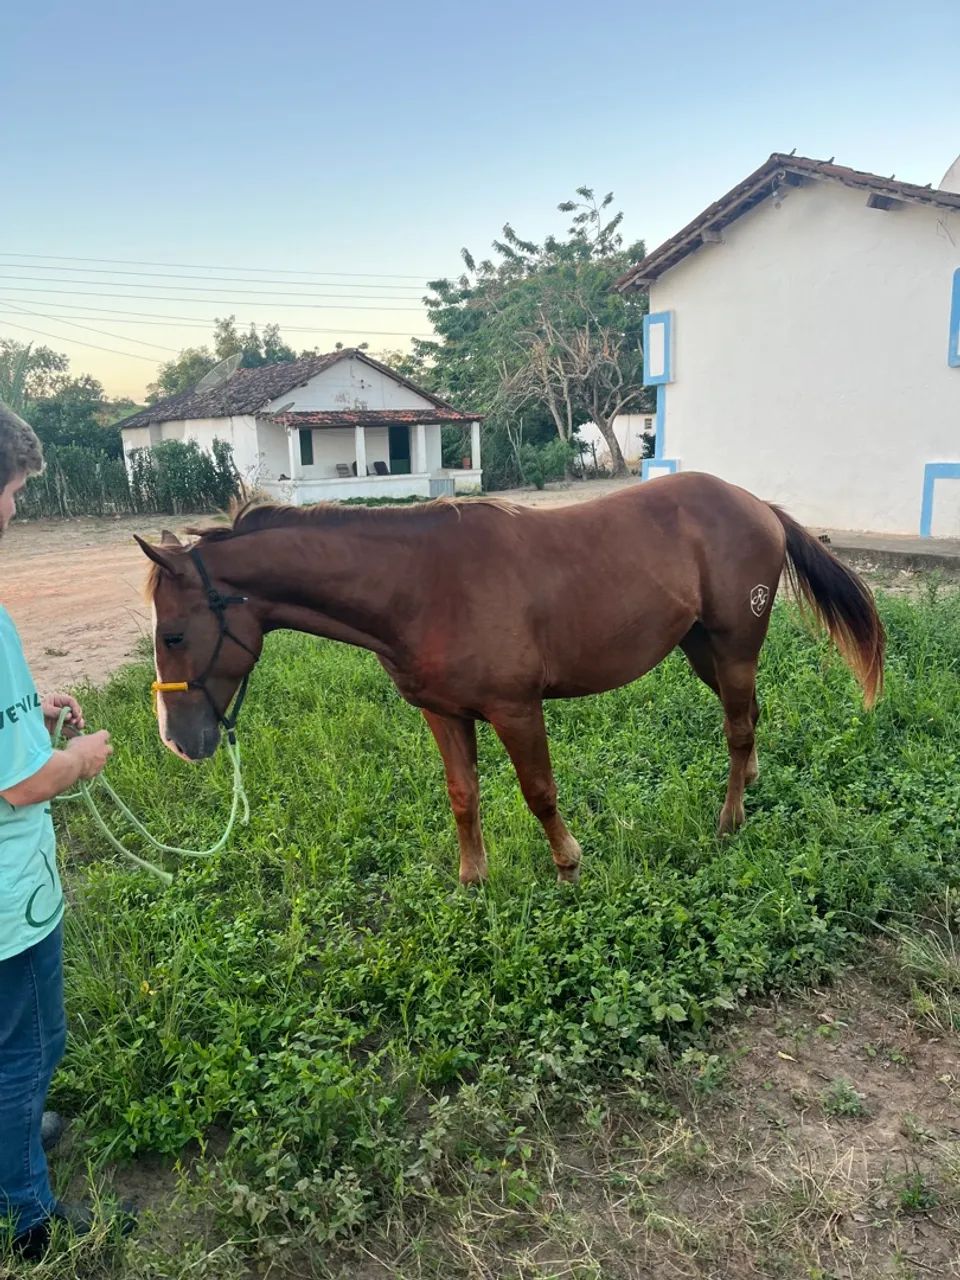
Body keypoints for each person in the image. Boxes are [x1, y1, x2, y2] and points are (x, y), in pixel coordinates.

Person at [0, 402, 136, 1260]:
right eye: (11, 490)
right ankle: (30, 1218)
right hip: (8, 904)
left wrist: (29, 706)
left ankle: (12, 1136)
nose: (14, 509)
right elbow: (22, 782)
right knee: (31, 1045)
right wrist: (81, 755)